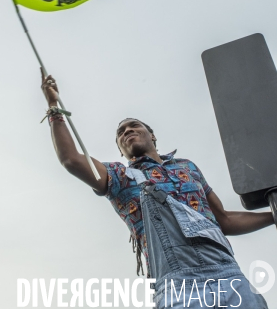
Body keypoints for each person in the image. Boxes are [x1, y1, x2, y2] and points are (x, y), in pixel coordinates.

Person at [40, 70, 273, 309]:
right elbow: (71, 159)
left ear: (152, 135)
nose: (127, 131)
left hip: (231, 277)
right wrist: (53, 106)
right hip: (178, 288)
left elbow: (223, 220)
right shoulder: (119, 176)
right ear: (121, 150)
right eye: (121, 133)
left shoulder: (188, 167)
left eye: (134, 126)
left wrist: (273, 216)